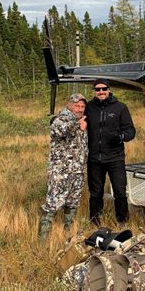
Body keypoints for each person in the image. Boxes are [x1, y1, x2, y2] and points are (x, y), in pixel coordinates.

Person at [86, 79, 136, 225]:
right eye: (97, 89)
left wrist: (121, 137)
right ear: (94, 91)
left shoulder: (120, 107)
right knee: (95, 192)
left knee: (120, 191)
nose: (100, 92)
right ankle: (95, 221)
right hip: (94, 158)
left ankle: (122, 222)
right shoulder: (89, 107)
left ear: (109, 89)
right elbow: (74, 112)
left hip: (115, 158)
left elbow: (131, 131)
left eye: (103, 89)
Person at [39, 93, 88, 239]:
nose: (79, 109)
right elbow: (59, 132)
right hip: (61, 172)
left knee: (72, 203)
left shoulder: (81, 119)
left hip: (77, 171)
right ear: (69, 105)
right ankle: (43, 240)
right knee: (52, 204)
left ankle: (69, 235)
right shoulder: (61, 119)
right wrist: (77, 124)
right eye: (76, 106)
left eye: (82, 106)